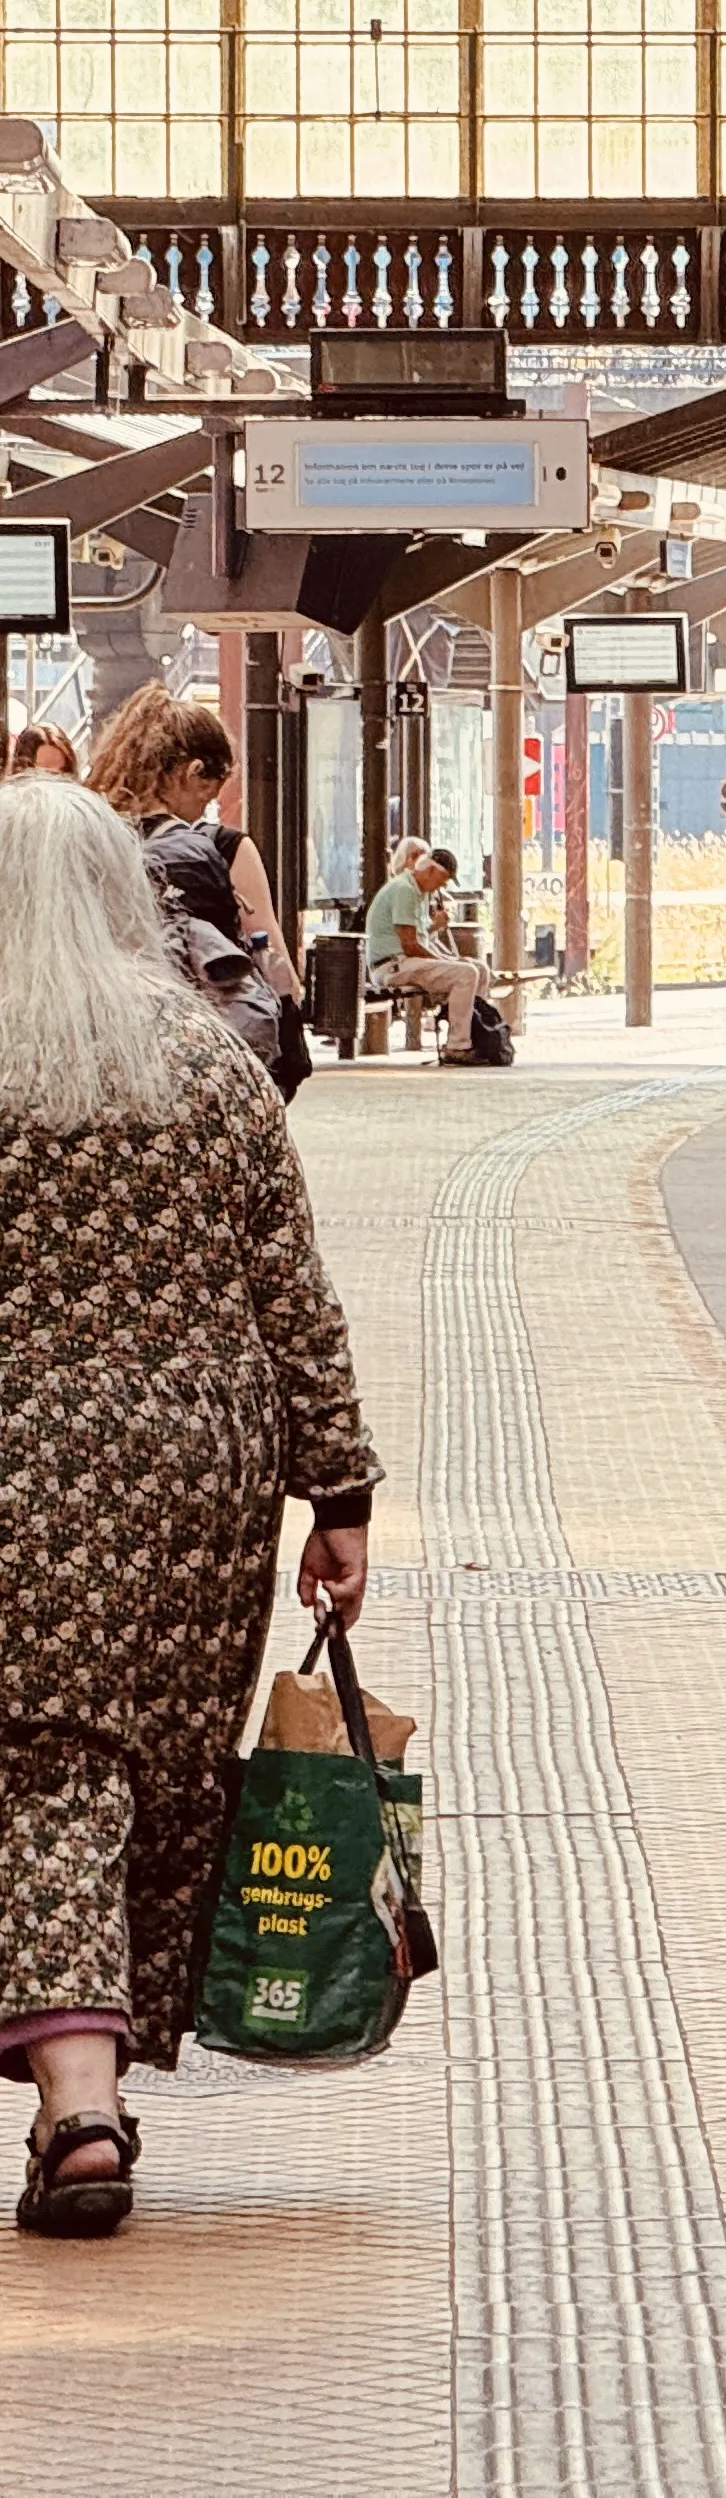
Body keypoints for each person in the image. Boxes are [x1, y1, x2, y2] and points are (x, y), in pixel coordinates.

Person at [0, 776, 377, 2237]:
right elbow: (296, 1296)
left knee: (35, 1769)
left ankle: (75, 2103)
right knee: (147, 1773)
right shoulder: (206, 1063)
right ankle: (88, 2092)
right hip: (190, 1477)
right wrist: (336, 1494)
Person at [86, 686, 310, 1097]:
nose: (207, 807)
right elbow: (270, 958)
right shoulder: (217, 847)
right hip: (195, 1054)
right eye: (211, 790)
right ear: (192, 772)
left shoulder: (86, 834)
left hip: (101, 1044)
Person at [362, 843, 495, 1064]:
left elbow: (420, 938)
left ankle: (474, 1035)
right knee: (467, 973)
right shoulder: (404, 890)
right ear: (431, 870)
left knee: (479, 969)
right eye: (443, 879)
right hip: (392, 965)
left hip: (405, 961)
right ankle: (457, 1046)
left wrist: (446, 950)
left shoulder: (418, 892)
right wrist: (445, 962)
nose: (442, 886)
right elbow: (410, 945)